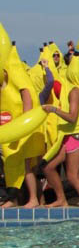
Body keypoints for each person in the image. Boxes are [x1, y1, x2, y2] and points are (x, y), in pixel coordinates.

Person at [41, 52, 79, 214]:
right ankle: (61, 199)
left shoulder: (75, 92)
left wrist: (53, 110)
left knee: (73, 176)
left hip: (78, 135)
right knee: (48, 167)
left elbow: (72, 117)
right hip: (71, 136)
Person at [0, 44, 45, 208]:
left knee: (26, 165)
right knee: (13, 166)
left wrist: (23, 126)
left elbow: (27, 97)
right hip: (11, 129)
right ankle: (19, 199)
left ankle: (33, 198)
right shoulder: (8, 79)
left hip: (21, 129)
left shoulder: (16, 74)